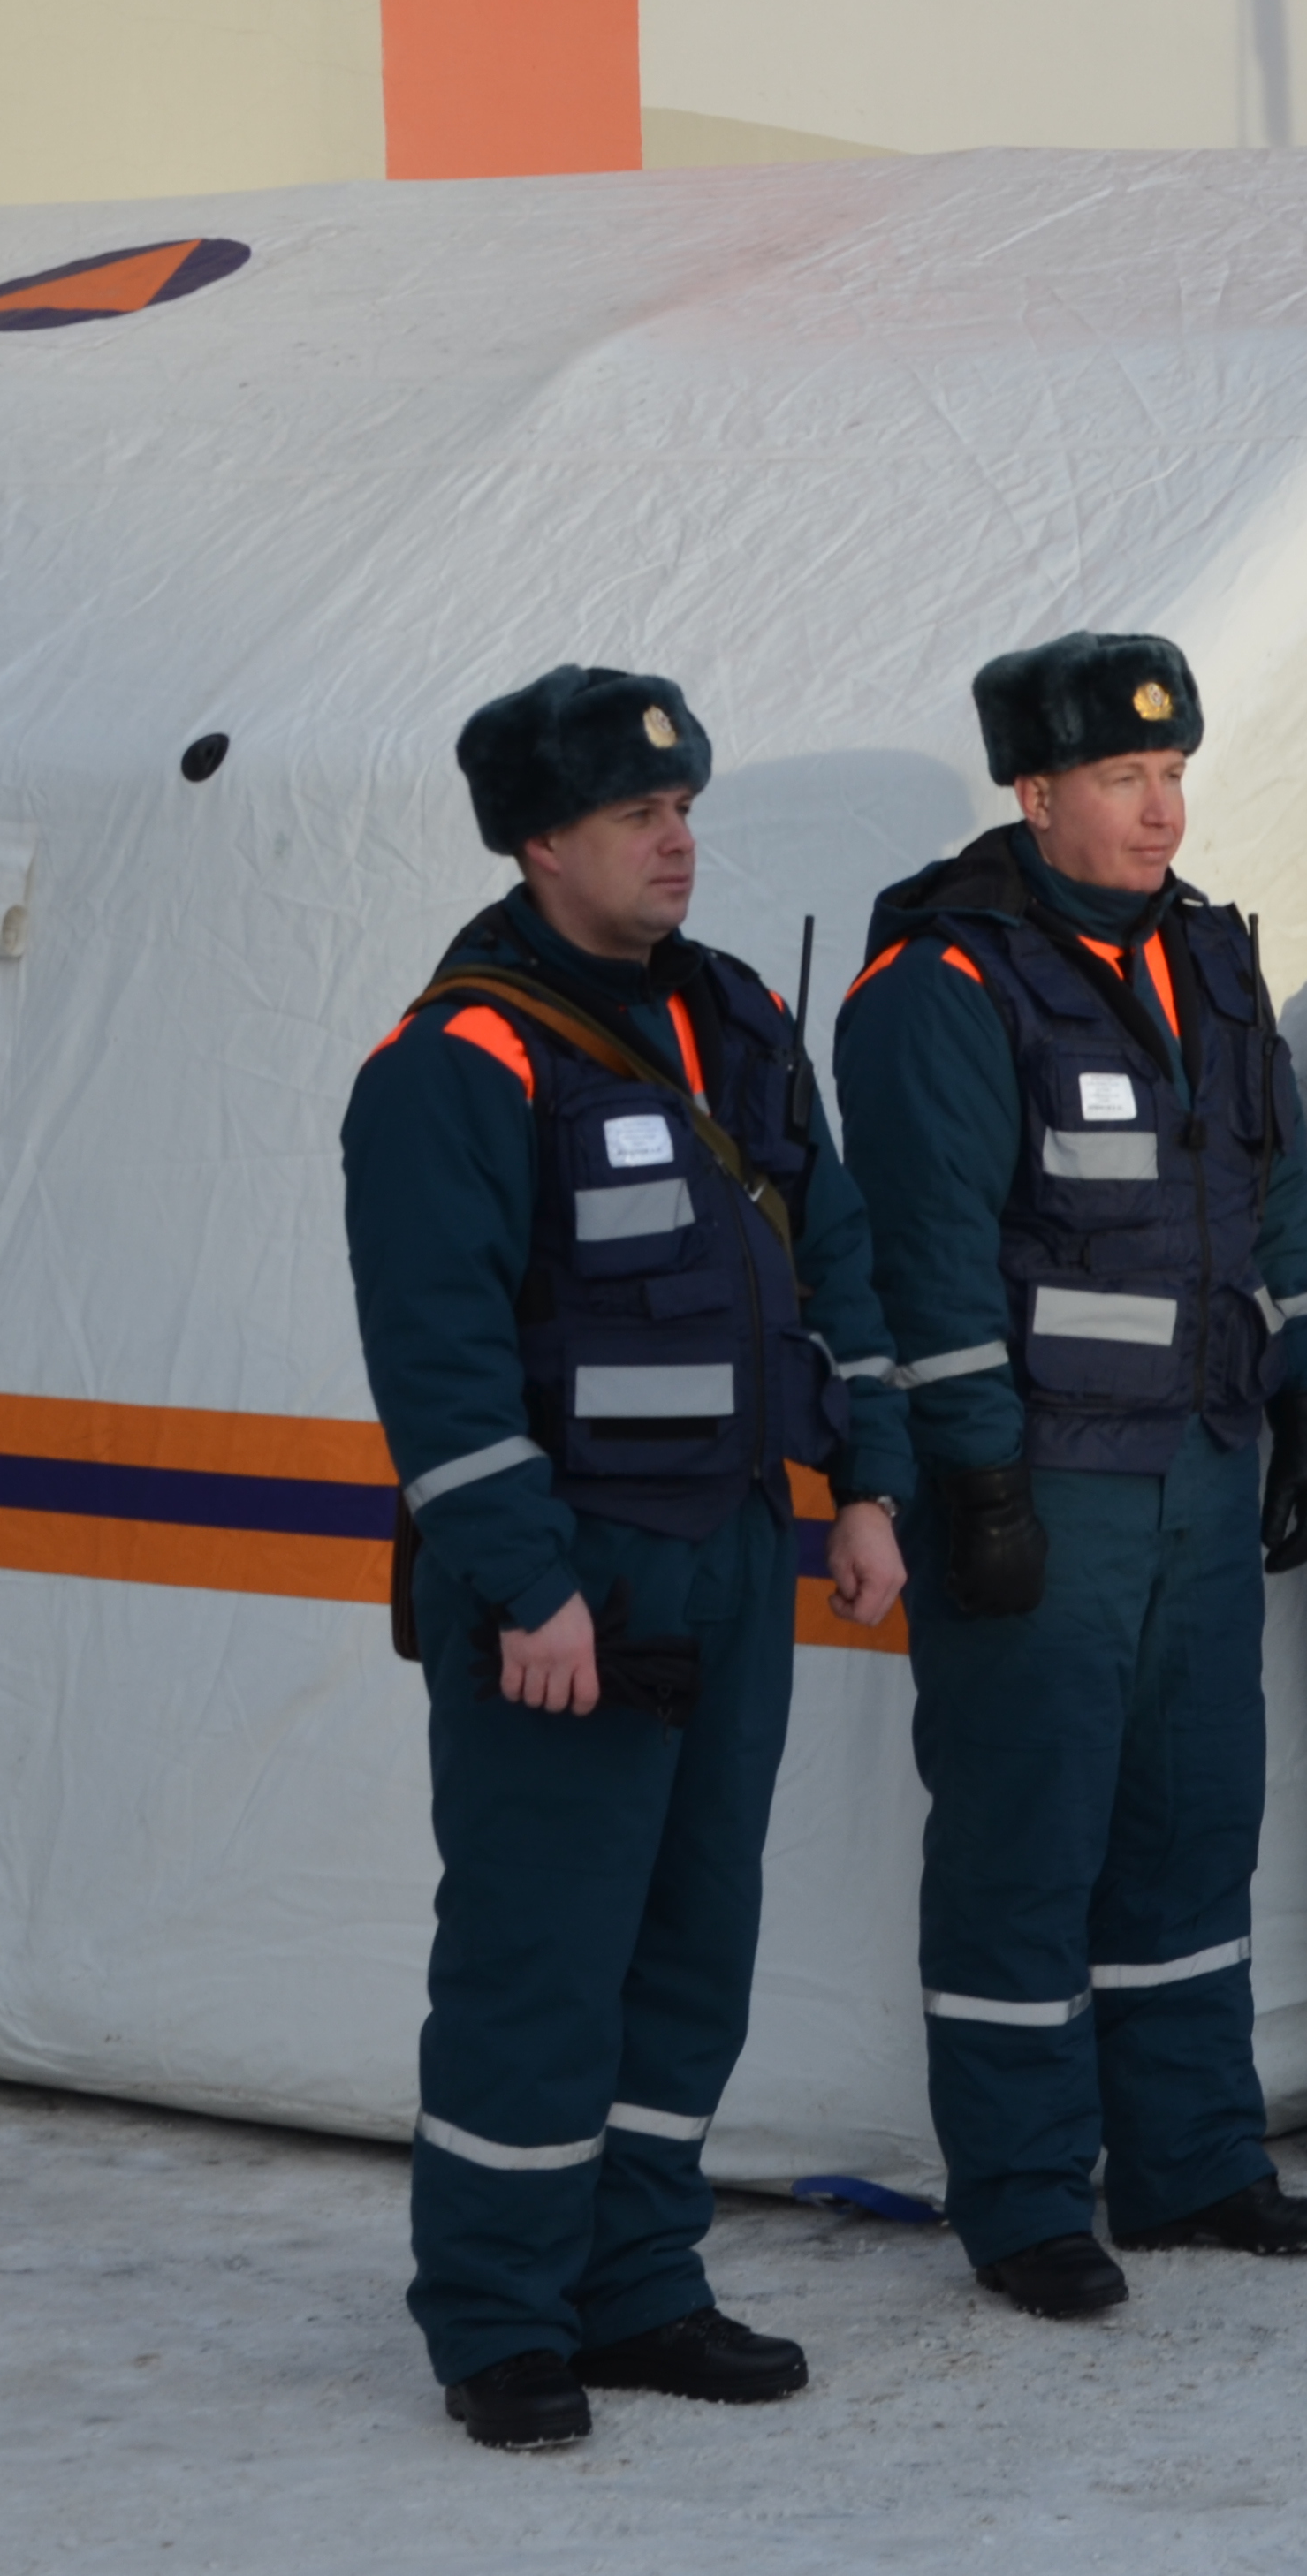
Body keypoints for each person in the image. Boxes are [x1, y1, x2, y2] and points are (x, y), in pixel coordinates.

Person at [342, 665, 916, 2451]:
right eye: (633, 818)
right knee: (538, 1949)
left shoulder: (735, 1015)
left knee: (691, 1941)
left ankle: (638, 2282)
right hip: (570, 1574)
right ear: (539, 842)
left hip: (732, 1551)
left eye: (682, 811)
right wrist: (524, 1581)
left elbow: (837, 1265)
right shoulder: (456, 1063)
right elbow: (435, 1360)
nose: (677, 841)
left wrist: (872, 1482)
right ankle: (501, 2314)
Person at [835, 631, 1307, 2321]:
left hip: (1200, 1469)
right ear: (1037, 790)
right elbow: (922, 1259)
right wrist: (974, 1483)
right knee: (1024, 1843)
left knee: (1193, 1829)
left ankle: (1193, 2160)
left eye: (1175, 775)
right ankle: (1027, 2196)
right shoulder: (945, 981)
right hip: (1045, 1487)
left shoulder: (1209, 962)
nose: (1162, 810)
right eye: (1126, 780)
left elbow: (1271, 1195)